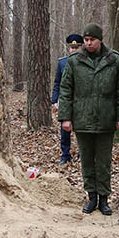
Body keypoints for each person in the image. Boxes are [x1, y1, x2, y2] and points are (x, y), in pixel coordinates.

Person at [58, 23, 119, 216]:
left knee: (104, 162)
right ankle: (91, 197)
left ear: (100, 40)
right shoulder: (74, 61)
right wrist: (65, 117)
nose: (88, 43)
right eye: (86, 40)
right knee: (87, 160)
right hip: (82, 118)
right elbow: (66, 90)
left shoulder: (114, 60)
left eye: (92, 40)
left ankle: (104, 199)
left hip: (106, 119)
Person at [51, 34, 83, 164]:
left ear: (82, 47)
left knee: (81, 129)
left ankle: (82, 153)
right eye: (72, 47)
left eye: (77, 47)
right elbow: (57, 82)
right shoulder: (62, 62)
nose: (74, 50)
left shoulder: (86, 62)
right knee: (65, 130)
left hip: (81, 101)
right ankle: (65, 155)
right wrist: (54, 100)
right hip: (66, 101)